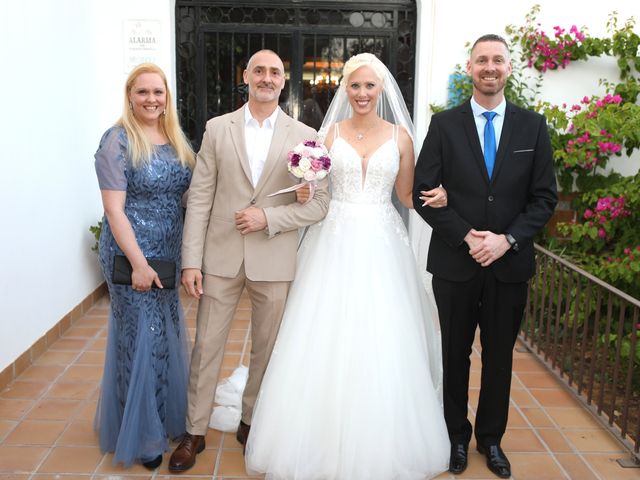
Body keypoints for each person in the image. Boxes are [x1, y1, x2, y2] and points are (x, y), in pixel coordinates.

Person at [245, 52, 451, 480]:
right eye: (354, 86)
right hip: (332, 241)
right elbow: (313, 191)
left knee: (383, 335)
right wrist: (303, 194)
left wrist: (447, 198)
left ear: (381, 90)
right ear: (344, 89)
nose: (361, 93)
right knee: (324, 330)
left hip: (381, 242)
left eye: (369, 86)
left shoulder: (400, 138)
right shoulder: (327, 134)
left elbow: (410, 197)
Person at [168, 49, 330, 472]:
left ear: (284, 81)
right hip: (221, 256)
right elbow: (200, 197)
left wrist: (269, 217)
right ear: (246, 76)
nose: (266, 77)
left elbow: (318, 206)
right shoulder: (217, 129)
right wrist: (191, 261)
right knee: (207, 346)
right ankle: (194, 430)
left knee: (268, 349)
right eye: (259, 70)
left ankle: (251, 419)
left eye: (275, 72)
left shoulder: (306, 135)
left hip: (275, 258)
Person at [413, 34, 558, 478]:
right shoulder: (444, 125)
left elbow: (544, 198)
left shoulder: (533, 126)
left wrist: (506, 240)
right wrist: (467, 236)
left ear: (508, 68)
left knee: (499, 356)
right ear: (470, 67)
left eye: (497, 60)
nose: (489, 67)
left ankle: (490, 440)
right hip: (456, 264)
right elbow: (424, 193)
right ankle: (455, 436)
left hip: (509, 266)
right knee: (454, 353)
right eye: (482, 60)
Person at [93, 63, 195, 469]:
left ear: (167, 97)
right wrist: (137, 263)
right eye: (143, 93)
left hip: (168, 254)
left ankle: (161, 416)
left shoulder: (174, 138)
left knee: (164, 334)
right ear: (130, 96)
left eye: (159, 92)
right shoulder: (117, 140)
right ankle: (143, 435)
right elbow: (114, 211)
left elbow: (188, 195)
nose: (152, 99)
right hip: (130, 254)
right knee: (140, 338)